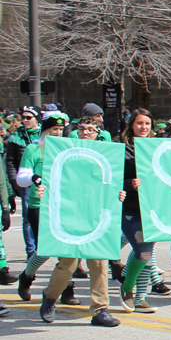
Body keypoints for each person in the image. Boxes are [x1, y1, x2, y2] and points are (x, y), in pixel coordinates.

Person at [38, 118, 125, 326]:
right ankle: (50, 298)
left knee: (99, 262)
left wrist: (118, 194)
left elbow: (110, 183)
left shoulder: (105, 156)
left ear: (98, 133)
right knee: (68, 264)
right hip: (71, 214)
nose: (86, 132)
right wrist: (43, 189)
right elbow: (53, 179)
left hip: (95, 215)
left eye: (91, 129)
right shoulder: (65, 154)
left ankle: (100, 309)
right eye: (82, 129)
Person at [16, 113, 78, 302]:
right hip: (39, 204)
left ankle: (67, 288)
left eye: (60, 130)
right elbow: (21, 178)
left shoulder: (67, 150)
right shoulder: (33, 149)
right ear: (45, 130)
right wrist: (34, 178)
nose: (58, 133)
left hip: (63, 205)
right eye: (54, 129)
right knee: (44, 249)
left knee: (66, 250)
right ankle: (26, 276)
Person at [119, 108, 158, 313]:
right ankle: (126, 289)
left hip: (152, 208)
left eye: (147, 124)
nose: (143, 127)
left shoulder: (157, 148)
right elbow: (112, 178)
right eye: (139, 123)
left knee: (147, 254)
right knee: (142, 252)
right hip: (130, 207)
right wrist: (129, 184)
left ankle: (140, 299)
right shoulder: (122, 150)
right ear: (132, 126)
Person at [6, 106, 41, 260]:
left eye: (29, 117)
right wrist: (14, 181)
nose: (25, 120)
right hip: (25, 180)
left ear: (37, 119)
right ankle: (31, 251)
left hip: (42, 180)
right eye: (23, 117)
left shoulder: (43, 135)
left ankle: (42, 247)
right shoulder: (16, 136)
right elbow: (10, 161)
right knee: (27, 217)